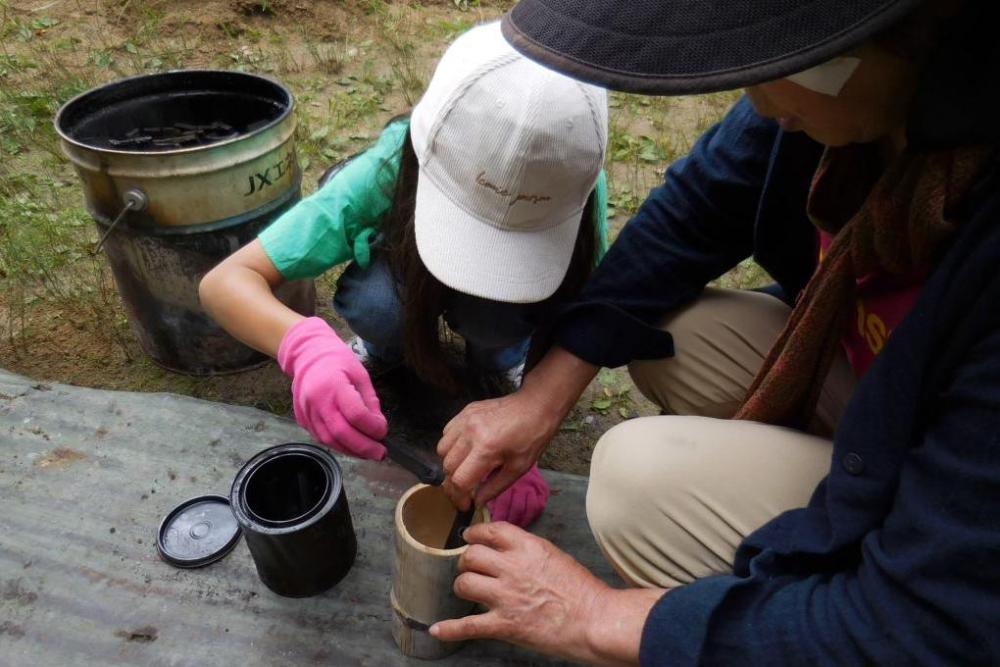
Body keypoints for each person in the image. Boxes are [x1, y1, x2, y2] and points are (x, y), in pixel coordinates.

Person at [430, 1, 1000, 664]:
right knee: (676, 331)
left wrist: (593, 614)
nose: (753, 102)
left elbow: (925, 627)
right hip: (892, 408)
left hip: (949, 528)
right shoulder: (852, 96)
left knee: (632, 487)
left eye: (769, 66)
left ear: (900, 36)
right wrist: (541, 398)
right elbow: (695, 209)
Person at [199, 21, 610, 528]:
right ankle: (387, 350)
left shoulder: (570, 182)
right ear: (423, 156)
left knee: (497, 320)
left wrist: (534, 408)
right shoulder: (389, 168)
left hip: (501, 318)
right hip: (406, 283)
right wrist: (302, 344)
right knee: (378, 304)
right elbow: (223, 283)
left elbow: (594, 316)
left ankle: (502, 361)